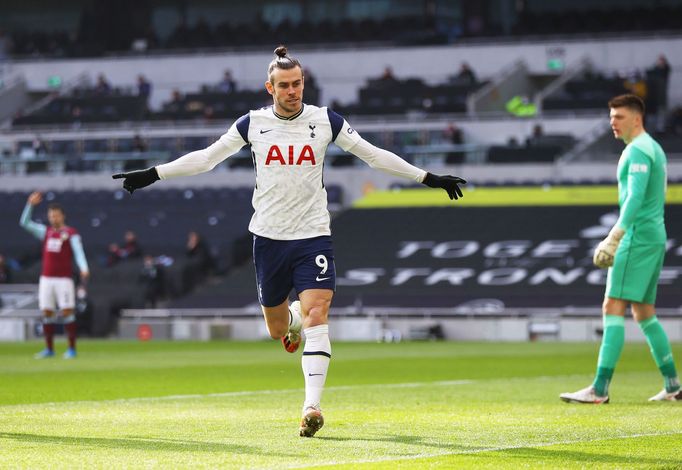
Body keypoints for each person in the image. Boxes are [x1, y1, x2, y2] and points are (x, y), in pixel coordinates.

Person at [112, 45, 465, 437]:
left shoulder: (326, 121)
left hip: (313, 235)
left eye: (298, 83)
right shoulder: (252, 125)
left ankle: (311, 406)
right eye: (285, 85)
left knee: (319, 315)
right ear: (270, 88)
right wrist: (153, 174)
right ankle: (292, 321)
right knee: (278, 328)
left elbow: (373, 155)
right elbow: (207, 158)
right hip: (268, 238)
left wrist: (428, 178)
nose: (293, 90)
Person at [560, 94, 680, 404]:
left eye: (619, 117)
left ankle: (599, 389)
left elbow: (635, 198)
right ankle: (672, 384)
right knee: (644, 312)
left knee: (612, 306)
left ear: (636, 119)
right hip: (655, 234)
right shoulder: (653, 147)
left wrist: (615, 235)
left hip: (637, 236)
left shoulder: (637, 150)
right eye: (611, 117)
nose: (612, 122)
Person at [20, 191, 90, 359]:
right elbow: (24, 223)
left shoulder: (71, 233)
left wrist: (84, 267)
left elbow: (78, 252)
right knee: (47, 313)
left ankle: (71, 349)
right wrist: (30, 205)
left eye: (56, 215)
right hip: (46, 279)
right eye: (51, 216)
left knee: (67, 312)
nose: (53, 218)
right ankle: (49, 349)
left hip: (64, 279)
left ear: (62, 216)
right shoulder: (46, 232)